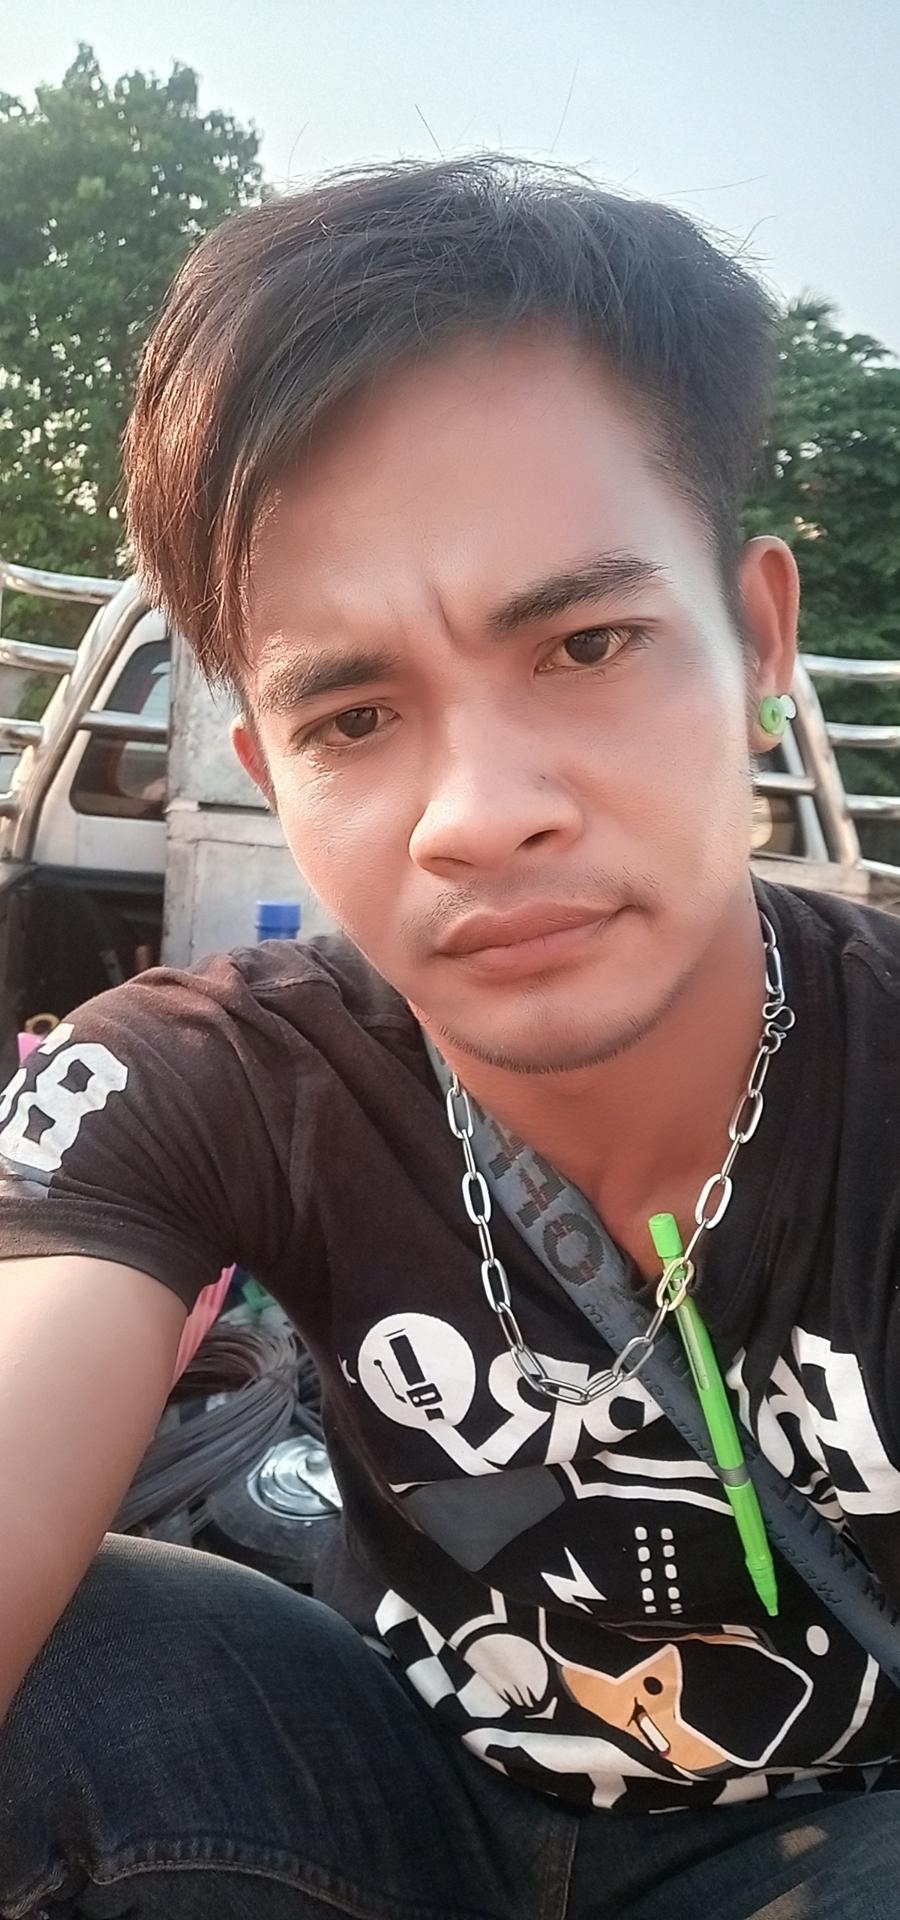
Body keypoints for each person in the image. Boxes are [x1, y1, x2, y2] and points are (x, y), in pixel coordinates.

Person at [0, 157, 899, 1920]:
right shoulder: (210, 1078)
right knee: (93, 1667)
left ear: (759, 642)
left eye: (586, 640)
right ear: (270, 775)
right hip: (387, 1795)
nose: (478, 816)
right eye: (354, 716)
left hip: (843, 1830)